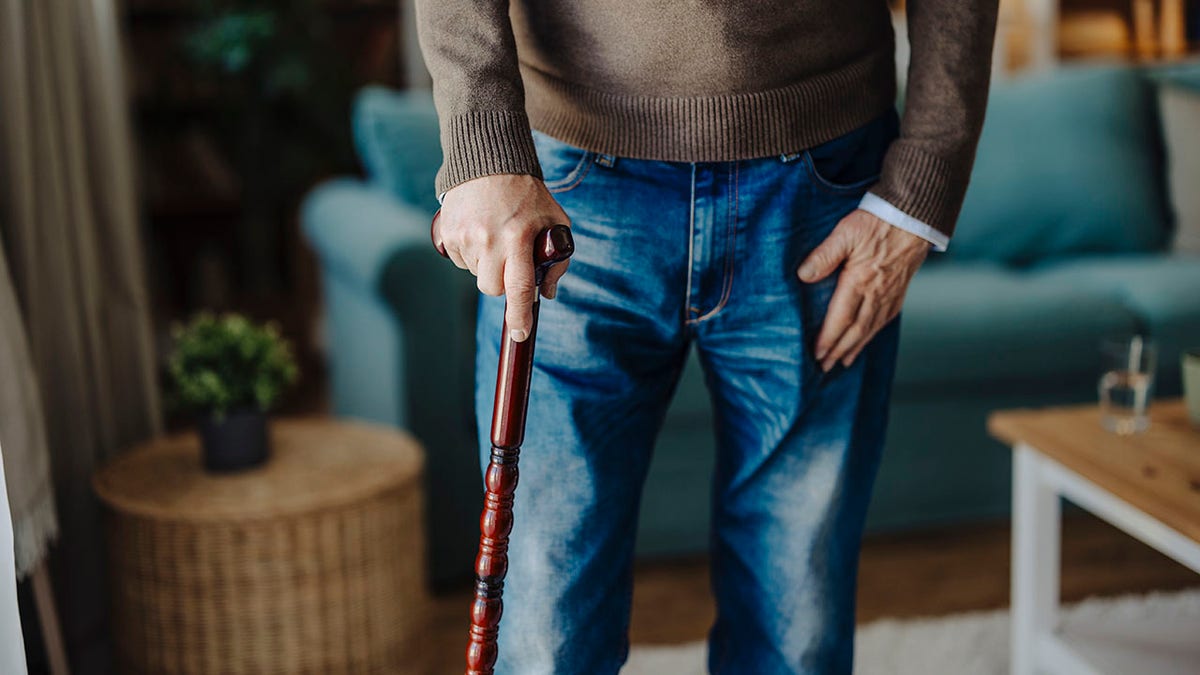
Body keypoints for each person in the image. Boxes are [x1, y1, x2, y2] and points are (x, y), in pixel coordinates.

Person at [416, 2, 998, 673]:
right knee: (547, 633)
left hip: (822, 178)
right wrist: (481, 134)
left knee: (795, 631)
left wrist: (921, 186)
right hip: (567, 186)